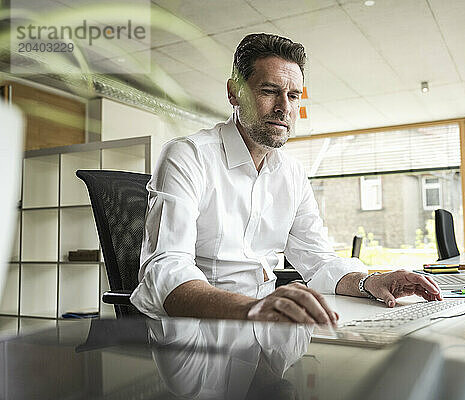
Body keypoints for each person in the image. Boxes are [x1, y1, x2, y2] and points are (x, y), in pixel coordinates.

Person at [130, 33, 442, 324]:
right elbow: (166, 270)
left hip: (268, 331)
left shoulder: (291, 173)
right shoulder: (188, 156)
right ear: (234, 93)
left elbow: (318, 261)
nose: (284, 108)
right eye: (269, 91)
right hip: (200, 335)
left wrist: (370, 282)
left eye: (294, 96)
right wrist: (253, 309)